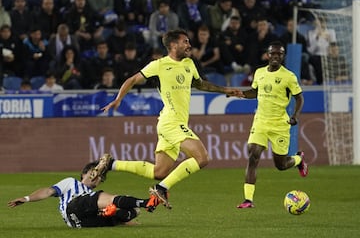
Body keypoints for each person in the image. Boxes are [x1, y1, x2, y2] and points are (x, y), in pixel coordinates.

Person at [99, 29, 244, 208]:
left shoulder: (189, 63)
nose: (189, 45)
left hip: (172, 123)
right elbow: (132, 79)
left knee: (159, 171)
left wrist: (225, 90)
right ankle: (161, 188)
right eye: (185, 42)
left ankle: (112, 164)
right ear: (173, 45)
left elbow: (200, 84)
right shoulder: (159, 65)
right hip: (171, 122)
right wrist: (118, 99)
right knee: (202, 158)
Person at [237, 41, 308, 209]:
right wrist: (239, 93)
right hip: (260, 121)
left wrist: (295, 116)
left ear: (283, 57)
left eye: (279, 54)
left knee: (281, 165)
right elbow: (254, 92)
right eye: (273, 54)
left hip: (279, 125)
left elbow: (299, 98)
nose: (276, 57)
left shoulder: (289, 76)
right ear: (267, 55)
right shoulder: (259, 73)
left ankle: (298, 159)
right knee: (253, 155)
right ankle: (248, 200)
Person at [8, 154, 162, 228]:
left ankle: (111, 211)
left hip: (81, 223)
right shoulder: (70, 182)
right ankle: (147, 202)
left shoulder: (94, 194)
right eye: (94, 173)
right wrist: (27, 198)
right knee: (112, 200)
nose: (97, 178)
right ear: (84, 174)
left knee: (131, 211)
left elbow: (126, 222)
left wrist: (134, 224)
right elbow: (48, 192)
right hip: (74, 207)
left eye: (100, 177)